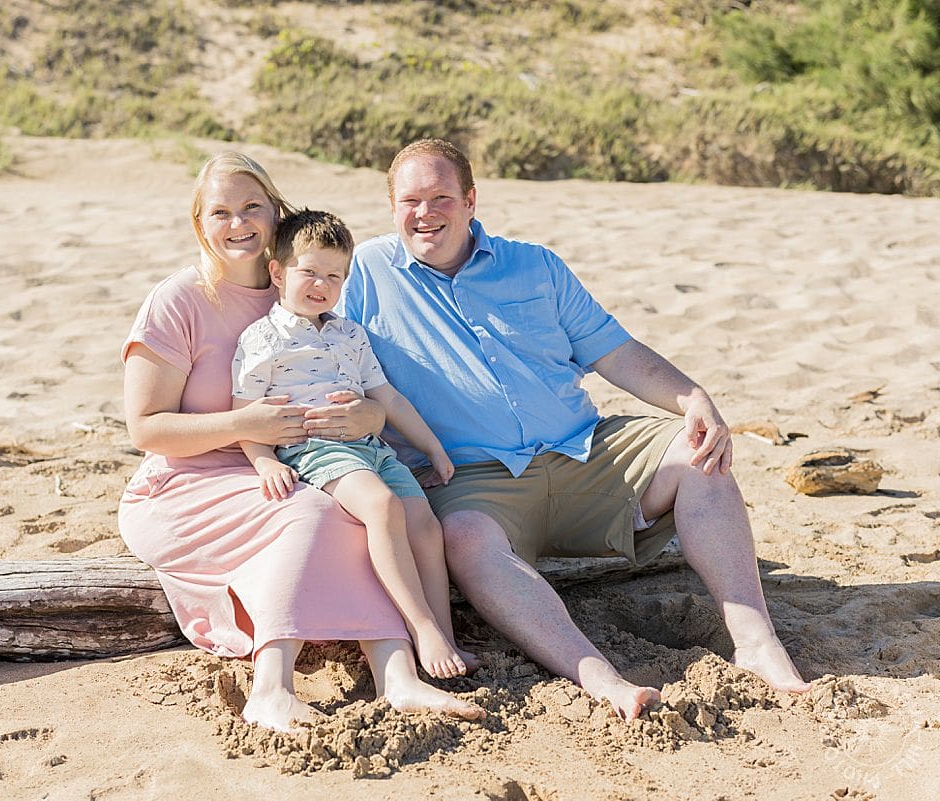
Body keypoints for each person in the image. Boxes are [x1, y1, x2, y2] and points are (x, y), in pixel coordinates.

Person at [340, 138, 811, 721]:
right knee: (462, 535)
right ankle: (601, 678)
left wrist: (694, 398)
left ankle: (757, 643)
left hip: (586, 450)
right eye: (411, 200)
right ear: (391, 208)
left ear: (471, 200)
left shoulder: (535, 265)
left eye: (442, 197)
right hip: (471, 479)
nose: (425, 213)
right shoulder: (364, 275)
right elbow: (313, 344)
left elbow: (616, 353)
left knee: (699, 454)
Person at [118, 151, 483, 733]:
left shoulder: (306, 282)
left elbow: (363, 384)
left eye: (251, 207)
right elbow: (145, 428)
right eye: (220, 212)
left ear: (275, 212)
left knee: (359, 510)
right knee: (317, 513)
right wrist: (245, 428)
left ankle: (398, 676)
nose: (238, 223)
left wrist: (367, 417)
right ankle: (271, 689)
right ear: (200, 223)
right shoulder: (179, 299)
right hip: (188, 479)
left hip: (293, 461)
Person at [232, 208, 473, 680]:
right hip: (314, 450)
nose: (320, 284)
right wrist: (263, 462)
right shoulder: (262, 338)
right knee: (382, 507)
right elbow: (246, 414)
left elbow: (388, 397)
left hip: (372, 449)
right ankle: (421, 628)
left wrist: (432, 447)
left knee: (425, 526)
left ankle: (445, 635)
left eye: (334, 276)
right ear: (278, 273)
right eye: (309, 272)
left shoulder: (349, 333)